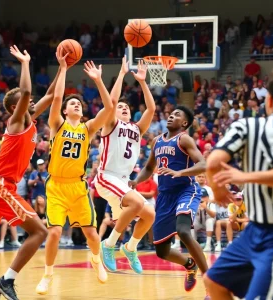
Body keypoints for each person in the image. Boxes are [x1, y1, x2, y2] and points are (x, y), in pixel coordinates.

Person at [0, 45, 65, 300]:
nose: (31, 101)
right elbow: (26, 91)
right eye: (26, 102)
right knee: (39, 232)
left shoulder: (30, 118)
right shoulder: (16, 121)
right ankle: (7, 281)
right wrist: (25, 63)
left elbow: (49, 95)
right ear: (18, 106)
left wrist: (63, 67)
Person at [36, 55, 113, 294]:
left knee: (91, 233)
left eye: (78, 103)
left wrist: (99, 81)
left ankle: (96, 260)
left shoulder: (88, 128)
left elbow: (109, 108)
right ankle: (48, 274)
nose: (76, 105)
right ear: (66, 110)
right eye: (72, 104)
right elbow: (57, 98)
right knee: (55, 232)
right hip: (56, 186)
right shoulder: (57, 124)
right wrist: (62, 68)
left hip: (78, 188)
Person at [203, 68, 273, 300]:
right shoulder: (248, 126)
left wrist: (223, 186)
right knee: (213, 279)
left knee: (213, 283)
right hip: (254, 231)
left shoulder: (246, 125)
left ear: (269, 100)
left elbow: (213, 161)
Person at [130, 106, 209, 298]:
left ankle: (211, 284)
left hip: (185, 190)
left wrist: (180, 172)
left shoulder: (184, 139)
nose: (172, 116)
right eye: (171, 113)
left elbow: (203, 164)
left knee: (183, 231)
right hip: (165, 197)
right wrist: (136, 181)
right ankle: (189, 265)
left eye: (177, 115)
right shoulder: (156, 141)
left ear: (184, 123)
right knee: (162, 251)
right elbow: (149, 168)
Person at [95, 57, 155, 274]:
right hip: (106, 176)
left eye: (126, 107)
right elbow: (110, 103)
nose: (123, 108)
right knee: (138, 203)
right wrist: (121, 74)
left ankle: (130, 247)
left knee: (149, 215)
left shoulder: (138, 129)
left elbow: (151, 108)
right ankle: (109, 245)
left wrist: (142, 82)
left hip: (121, 182)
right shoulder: (110, 124)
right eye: (120, 107)